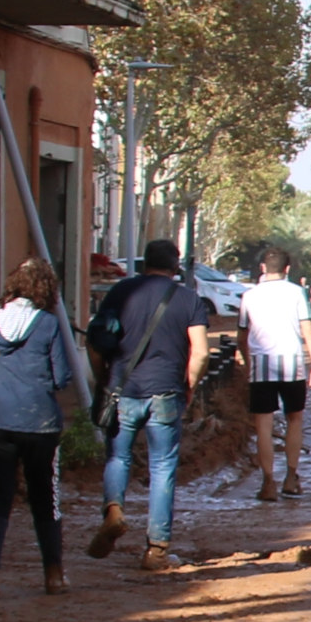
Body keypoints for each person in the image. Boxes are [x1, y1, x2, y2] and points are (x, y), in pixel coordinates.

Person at [85, 237, 211, 569]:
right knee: (163, 468)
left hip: (123, 388)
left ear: (144, 264)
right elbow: (200, 352)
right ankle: (157, 549)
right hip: (166, 391)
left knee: (117, 457)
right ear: (176, 267)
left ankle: (114, 510)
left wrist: (103, 379)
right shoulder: (189, 300)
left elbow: (95, 343)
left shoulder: (120, 292)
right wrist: (190, 387)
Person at [0, 256, 80, 600]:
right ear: (46, 290)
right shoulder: (47, 323)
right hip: (38, 422)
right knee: (45, 497)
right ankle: (54, 575)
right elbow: (62, 377)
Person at [238, 242, 311, 502]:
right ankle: (292, 477)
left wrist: (248, 362)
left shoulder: (249, 296)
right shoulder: (297, 293)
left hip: (261, 367)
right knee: (295, 419)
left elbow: (242, 333)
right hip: (292, 366)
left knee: (263, 425)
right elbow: (307, 329)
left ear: (263, 268)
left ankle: (268, 481)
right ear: (287, 268)